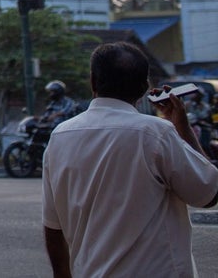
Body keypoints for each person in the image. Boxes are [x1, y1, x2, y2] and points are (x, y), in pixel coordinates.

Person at [41, 42, 218, 277]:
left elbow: (53, 229)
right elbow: (208, 193)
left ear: (93, 81)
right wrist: (182, 127)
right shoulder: (157, 134)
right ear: (145, 87)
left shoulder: (60, 137)